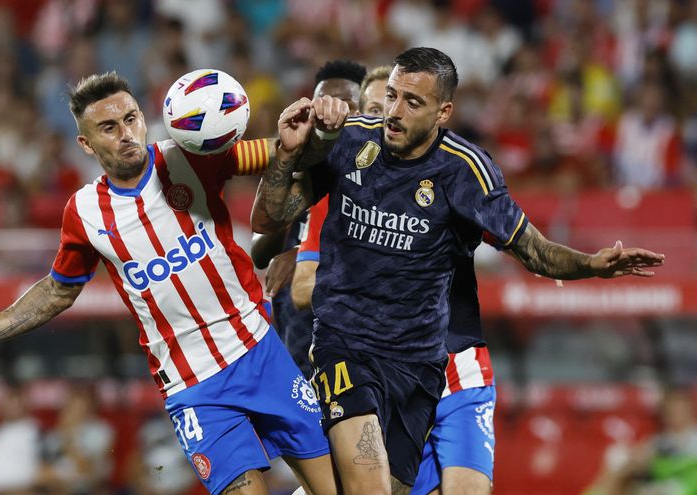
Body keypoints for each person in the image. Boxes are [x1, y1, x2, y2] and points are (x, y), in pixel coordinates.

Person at [251, 47, 665, 494]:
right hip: (346, 348)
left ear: (443, 112)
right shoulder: (352, 142)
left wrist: (590, 265)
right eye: (391, 95)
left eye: (412, 102)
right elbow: (267, 221)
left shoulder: (466, 173)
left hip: (419, 367)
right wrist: (286, 155)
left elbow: (532, 249)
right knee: (368, 487)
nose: (393, 112)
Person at [0, 71, 340, 495]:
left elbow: (279, 154)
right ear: (86, 144)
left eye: (131, 118)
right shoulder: (84, 213)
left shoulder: (190, 155)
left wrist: (303, 141)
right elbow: (57, 290)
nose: (126, 134)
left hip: (259, 352)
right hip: (193, 387)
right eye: (109, 127)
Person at [292, 64, 498, 495]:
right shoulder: (338, 196)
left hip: (452, 362)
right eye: (372, 110)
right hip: (378, 366)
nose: (381, 122)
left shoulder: (452, 176)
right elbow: (300, 286)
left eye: (387, 107)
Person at [250, 59, 367, 378]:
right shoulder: (314, 167)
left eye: (344, 105)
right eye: (323, 104)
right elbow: (260, 243)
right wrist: (286, 156)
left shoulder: (379, 167)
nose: (331, 112)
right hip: (297, 330)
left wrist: (300, 256)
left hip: (352, 330)